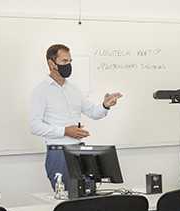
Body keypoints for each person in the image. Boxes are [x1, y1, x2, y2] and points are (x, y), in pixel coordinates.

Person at [30, 44, 123, 189]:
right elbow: (35, 126)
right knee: (67, 199)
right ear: (51, 63)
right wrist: (65, 131)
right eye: (64, 62)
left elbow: (93, 112)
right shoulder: (41, 91)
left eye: (70, 61)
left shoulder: (74, 89)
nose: (68, 65)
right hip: (58, 153)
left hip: (80, 151)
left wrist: (105, 105)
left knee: (88, 197)